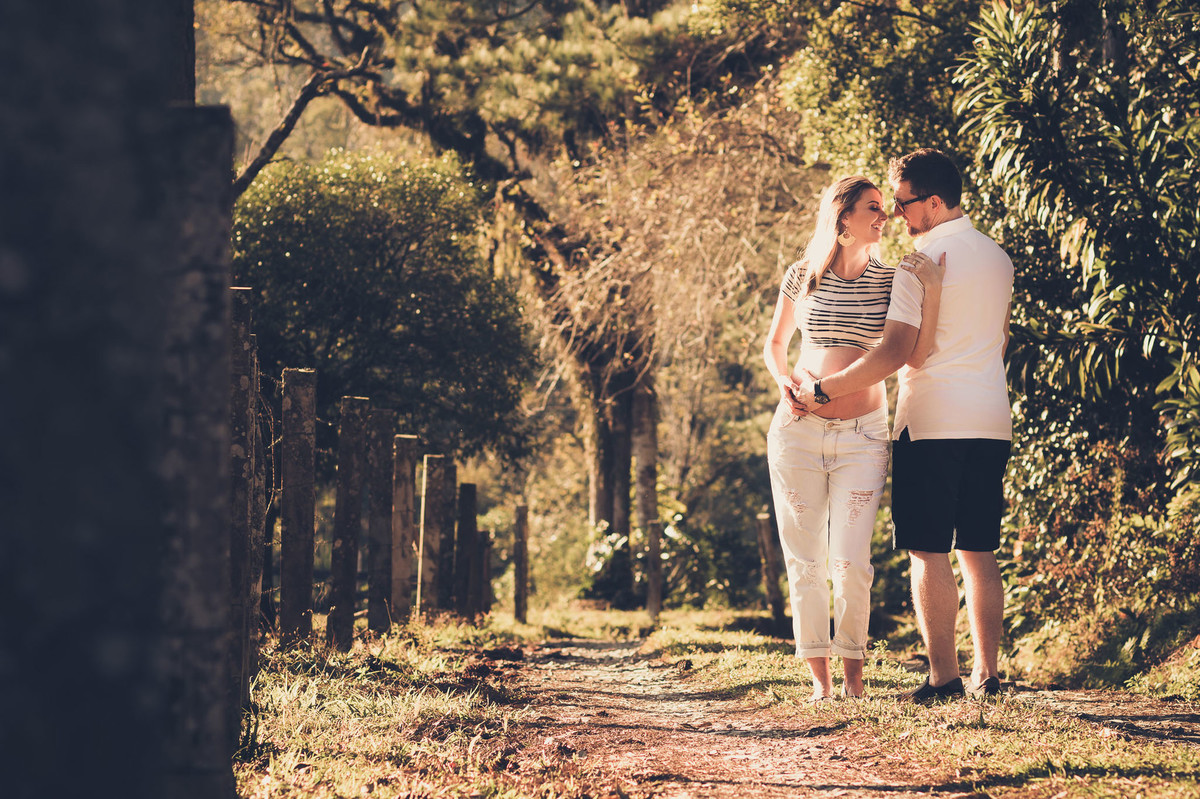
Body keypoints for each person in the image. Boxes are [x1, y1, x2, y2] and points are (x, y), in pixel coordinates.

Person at [792, 149, 1014, 702]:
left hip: (933, 422)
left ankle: (944, 679)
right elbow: (1003, 342)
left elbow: (902, 354)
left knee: (928, 549)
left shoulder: (921, 263)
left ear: (933, 202)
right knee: (980, 550)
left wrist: (823, 391)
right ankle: (990, 676)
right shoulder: (997, 258)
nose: (897, 213)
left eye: (904, 202)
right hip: (991, 418)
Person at [764, 176, 942, 702]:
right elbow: (776, 344)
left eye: (884, 208)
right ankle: (820, 682)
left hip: (863, 438)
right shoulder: (802, 276)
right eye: (872, 208)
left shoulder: (893, 280)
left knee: (851, 562)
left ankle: (854, 681)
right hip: (796, 433)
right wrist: (782, 381)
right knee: (806, 562)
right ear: (842, 219)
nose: (884, 216)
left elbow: (904, 351)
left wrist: (930, 286)